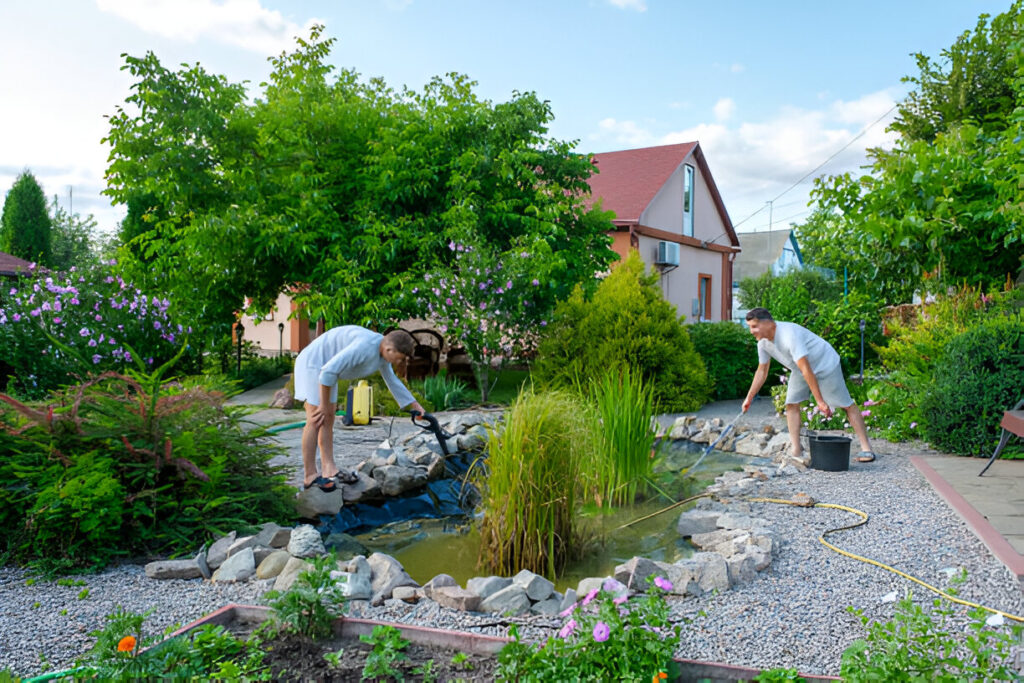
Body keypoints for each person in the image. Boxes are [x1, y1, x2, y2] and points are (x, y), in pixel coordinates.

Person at [293, 326, 425, 491]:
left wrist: (416, 406)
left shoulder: (382, 352)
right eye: (398, 358)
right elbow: (326, 372)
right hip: (313, 364)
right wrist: (324, 405)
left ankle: (329, 469)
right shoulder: (365, 347)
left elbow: (392, 380)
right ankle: (310, 476)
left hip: (327, 370)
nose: (398, 362)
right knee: (316, 418)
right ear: (389, 349)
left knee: (328, 419)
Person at [740, 308, 877, 463]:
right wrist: (749, 398)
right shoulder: (763, 343)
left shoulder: (788, 335)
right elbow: (762, 371)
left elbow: (807, 369)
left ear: (767, 323)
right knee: (791, 404)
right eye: (750, 326)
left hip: (825, 364)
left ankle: (867, 449)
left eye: (754, 326)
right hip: (801, 369)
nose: (751, 331)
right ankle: (796, 451)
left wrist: (820, 401)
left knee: (845, 404)